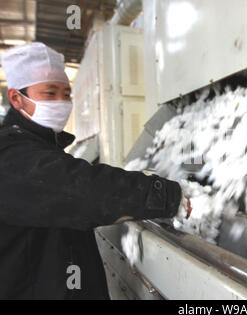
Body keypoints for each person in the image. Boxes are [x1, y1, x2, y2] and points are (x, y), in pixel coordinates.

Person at [0, 42, 191, 299]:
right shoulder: (10, 153)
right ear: (16, 98)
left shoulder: (39, 145)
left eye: (66, 94)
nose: (61, 102)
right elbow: (80, 188)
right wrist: (170, 195)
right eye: (49, 93)